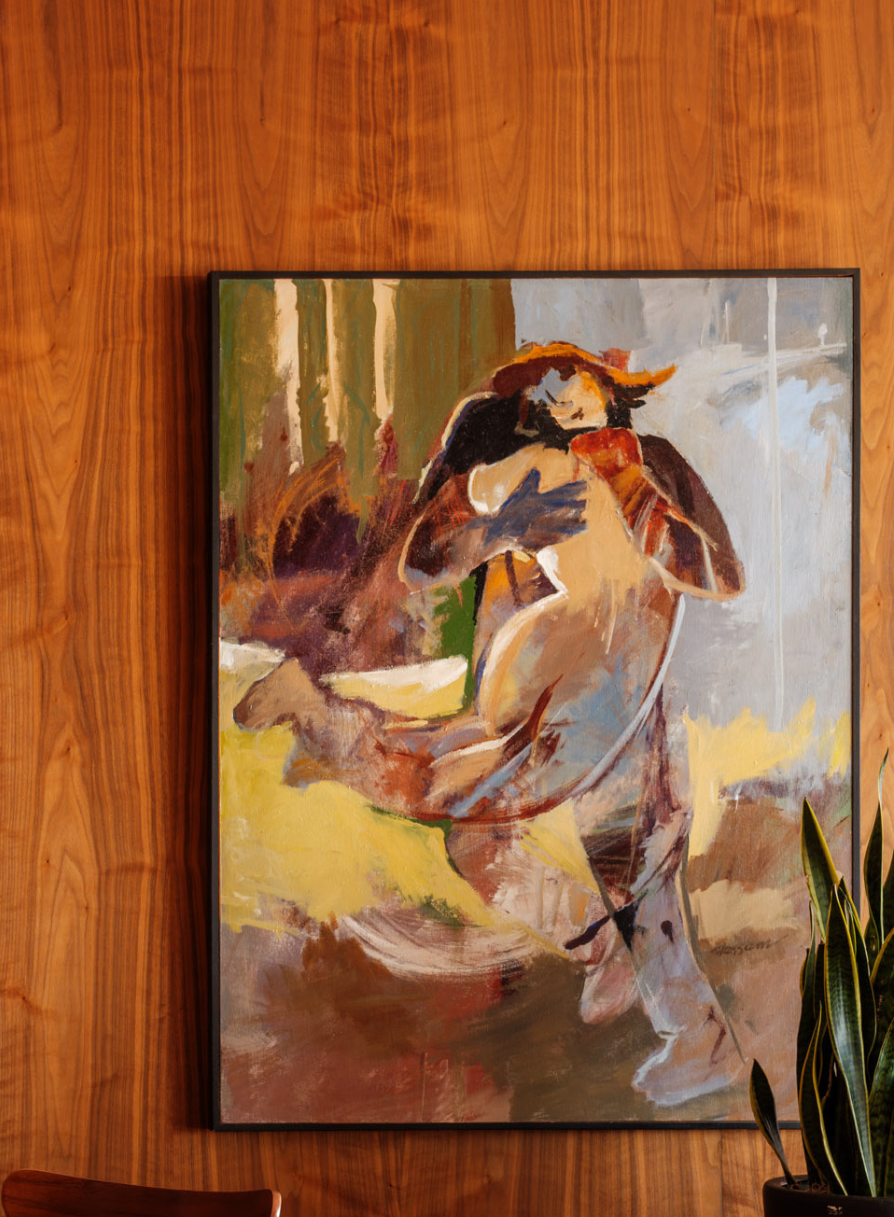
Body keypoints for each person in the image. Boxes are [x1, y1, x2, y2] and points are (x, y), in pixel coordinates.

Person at [239, 342, 745, 1106]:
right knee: (479, 847)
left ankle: (696, 1034)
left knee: (634, 866)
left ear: (613, 390)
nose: (561, 392)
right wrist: (503, 523)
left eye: (576, 377)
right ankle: (598, 944)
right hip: (523, 690)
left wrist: (633, 491)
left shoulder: (651, 462)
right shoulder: (515, 470)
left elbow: (719, 575)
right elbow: (423, 561)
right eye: (545, 385)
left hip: (612, 694)